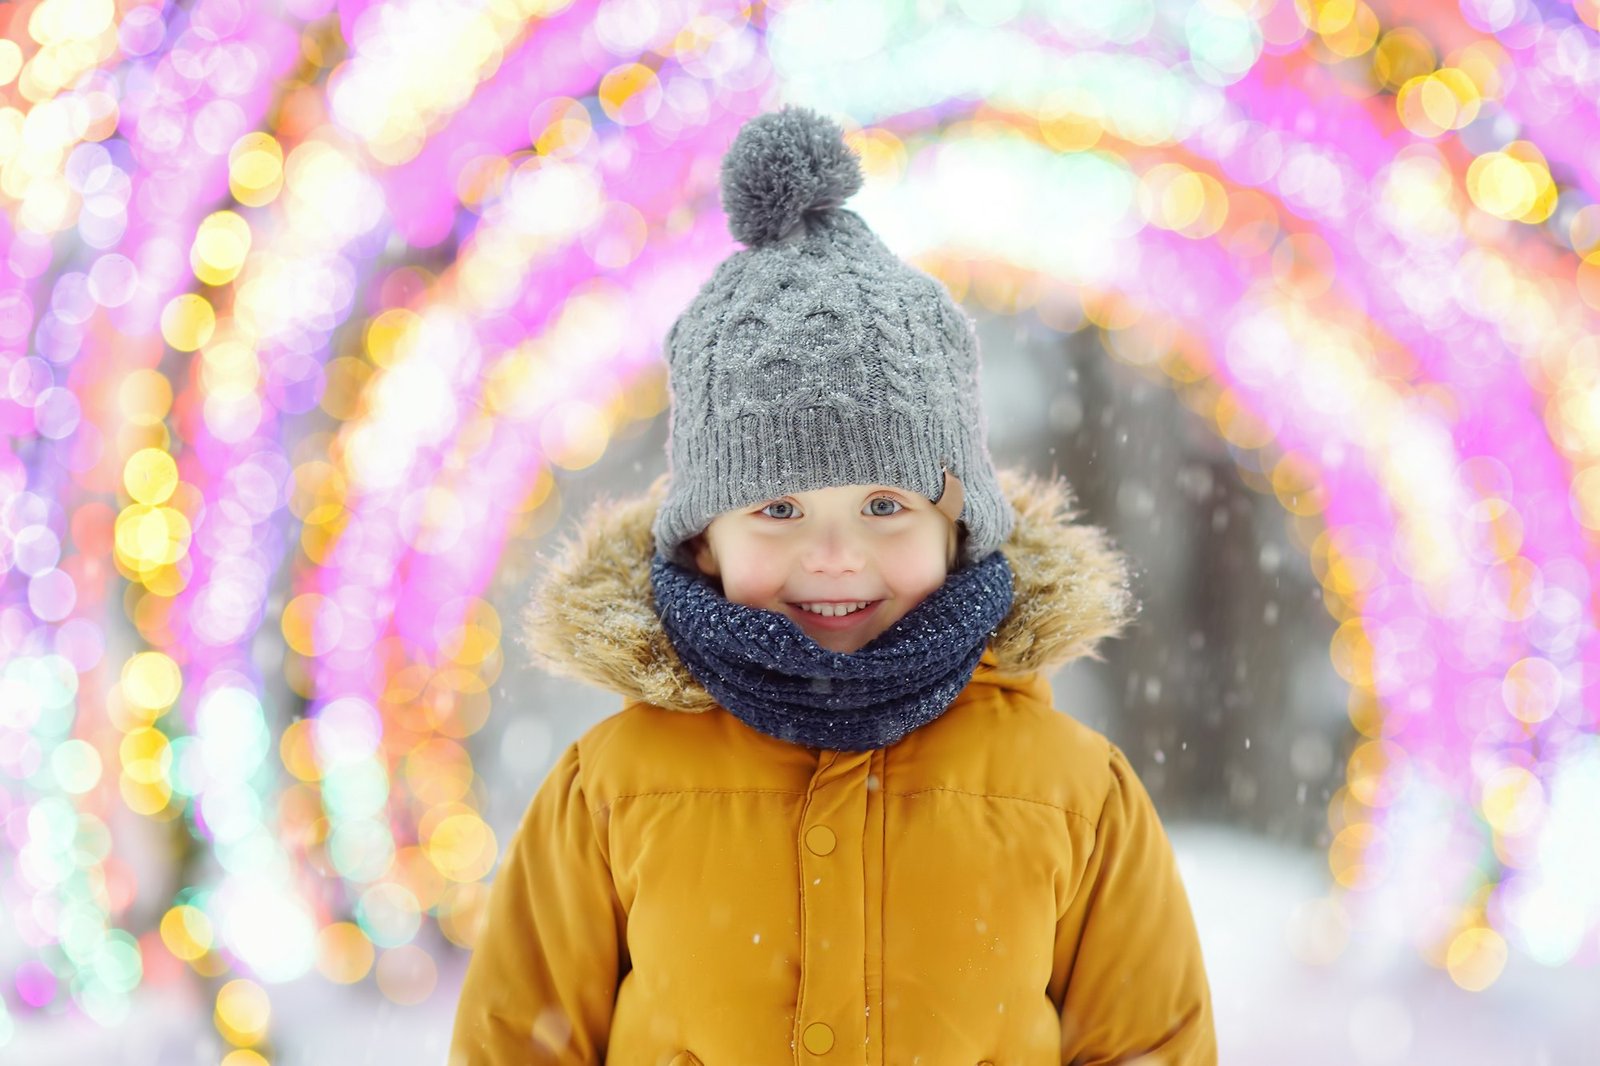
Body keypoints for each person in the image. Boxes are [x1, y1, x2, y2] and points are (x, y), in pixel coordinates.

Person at [449, 106, 1215, 1065]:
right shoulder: (609, 793)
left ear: (958, 525)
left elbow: (1145, 1045)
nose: (836, 555)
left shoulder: (1073, 794)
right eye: (777, 510)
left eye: (886, 505)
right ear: (704, 540)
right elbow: (521, 1042)